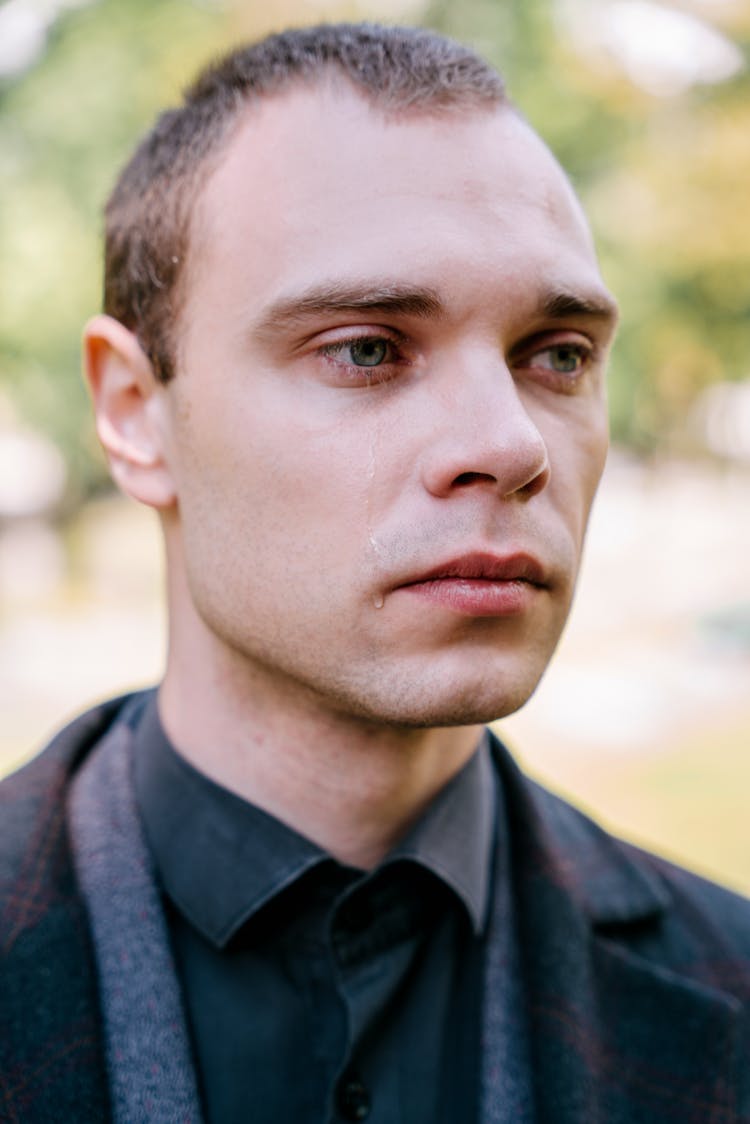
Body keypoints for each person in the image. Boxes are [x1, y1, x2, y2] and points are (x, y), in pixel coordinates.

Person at [1, 22, 748, 1124]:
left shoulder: (727, 984)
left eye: (558, 354)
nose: (509, 442)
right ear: (135, 412)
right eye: (366, 347)